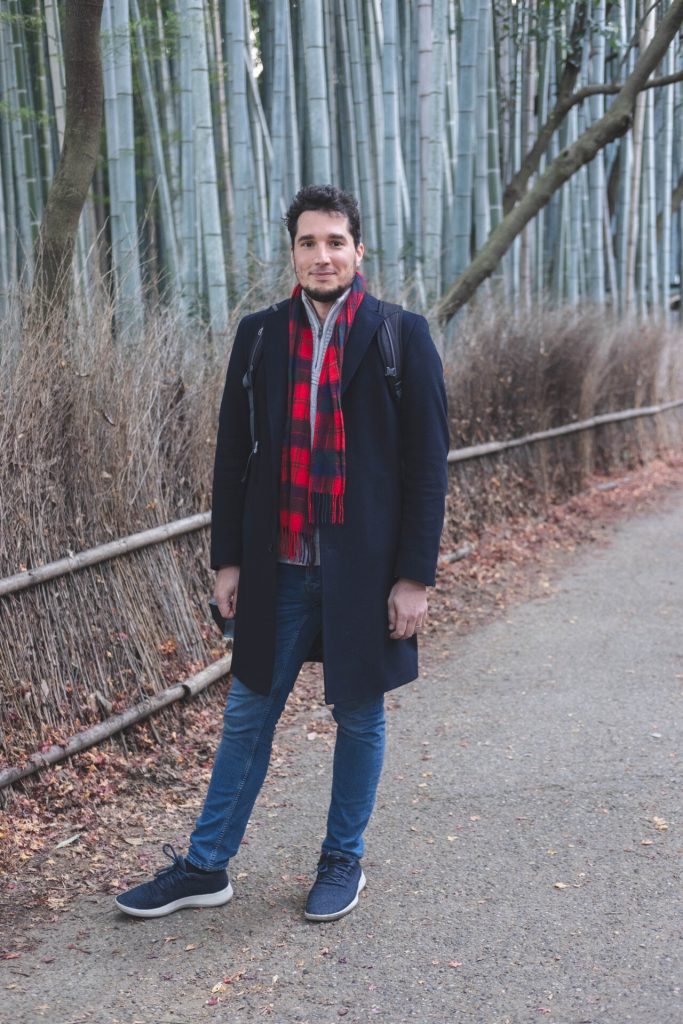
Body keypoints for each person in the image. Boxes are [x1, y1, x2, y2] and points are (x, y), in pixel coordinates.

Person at [115, 185, 449, 922]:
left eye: (335, 241)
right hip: (280, 564)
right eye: (307, 242)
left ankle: (341, 861)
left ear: (358, 251)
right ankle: (205, 867)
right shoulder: (261, 335)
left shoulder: (402, 335)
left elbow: (427, 467)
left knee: (358, 716)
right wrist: (227, 560)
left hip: (363, 569)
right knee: (246, 715)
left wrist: (412, 577)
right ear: (291, 251)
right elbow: (234, 454)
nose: (321, 255)